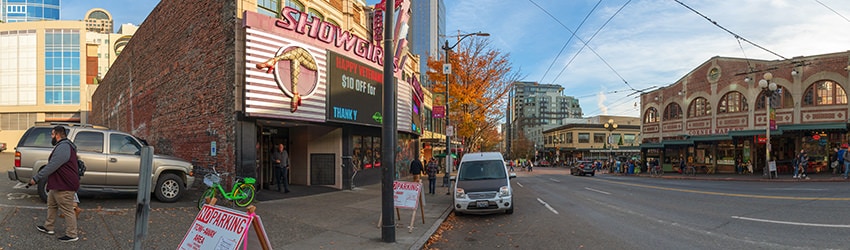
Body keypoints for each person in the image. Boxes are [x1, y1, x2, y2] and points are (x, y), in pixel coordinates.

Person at [31, 126, 80, 242]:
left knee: (67, 210)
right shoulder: (65, 145)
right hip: (57, 184)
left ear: (57, 135)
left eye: (52, 134)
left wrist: (36, 178)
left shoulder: (63, 147)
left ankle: (72, 234)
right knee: (51, 205)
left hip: (65, 184)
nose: (51, 137)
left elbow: (53, 165)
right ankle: (49, 227)